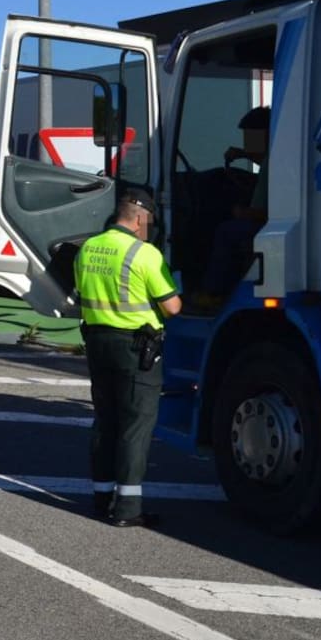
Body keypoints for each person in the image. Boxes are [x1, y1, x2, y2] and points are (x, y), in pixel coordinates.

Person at [74, 188, 182, 528]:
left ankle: (101, 498)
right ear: (139, 220)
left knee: (106, 421)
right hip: (137, 348)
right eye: (149, 222)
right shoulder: (144, 254)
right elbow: (172, 306)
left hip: (97, 342)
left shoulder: (88, 248)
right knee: (135, 426)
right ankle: (127, 508)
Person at [197, 106, 271, 306]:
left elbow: (272, 213)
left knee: (225, 231)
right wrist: (244, 154)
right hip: (260, 220)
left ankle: (213, 292)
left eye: (250, 136)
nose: (247, 141)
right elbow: (262, 159)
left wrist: (244, 212)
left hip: (263, 224)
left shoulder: (275, 164)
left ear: (263, 134)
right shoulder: (273, 159)